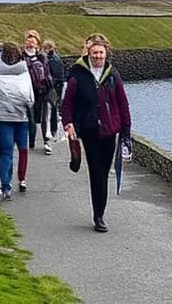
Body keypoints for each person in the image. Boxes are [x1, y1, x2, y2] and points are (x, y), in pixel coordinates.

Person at [62, 33, 131, 233]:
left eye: (101, 53)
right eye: (95, 53)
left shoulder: (113, 74)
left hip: (110, 131)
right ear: (89, 53)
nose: (98, 57)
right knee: (96, 172)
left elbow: (122, 103)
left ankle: (100, 210)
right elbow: (67, 103)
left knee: (104, 171)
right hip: (89, 130)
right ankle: (98, 215)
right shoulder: (78, 74)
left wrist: (126, 131)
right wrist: (68, 123)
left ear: (106, 53)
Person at [0, 42, 33, 201]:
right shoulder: (23, 65)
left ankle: (5, 185)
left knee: (5, 151)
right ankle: (22, 179)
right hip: (21, 115)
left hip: (3, 115)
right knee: (22, 149)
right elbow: (29, 91)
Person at [21, 29, 53, 154]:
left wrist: (49, 85)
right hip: (27, 90)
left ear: (37, 44)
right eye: (28, 39)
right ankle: (31, 141)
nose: (30, 42)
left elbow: (47, 71)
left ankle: (47, 141)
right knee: (30, 117)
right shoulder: (21, 56)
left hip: (42, 90)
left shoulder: (42, 56)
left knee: (45, 117)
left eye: (33, 40)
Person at [42, 39, 65, 143]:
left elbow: (55, 76)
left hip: (52, 88)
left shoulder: (52, 60)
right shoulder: (56, 59)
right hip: (56, 87)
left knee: (50, 111)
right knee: (53, 110)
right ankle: (53, 131)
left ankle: (51, 132)